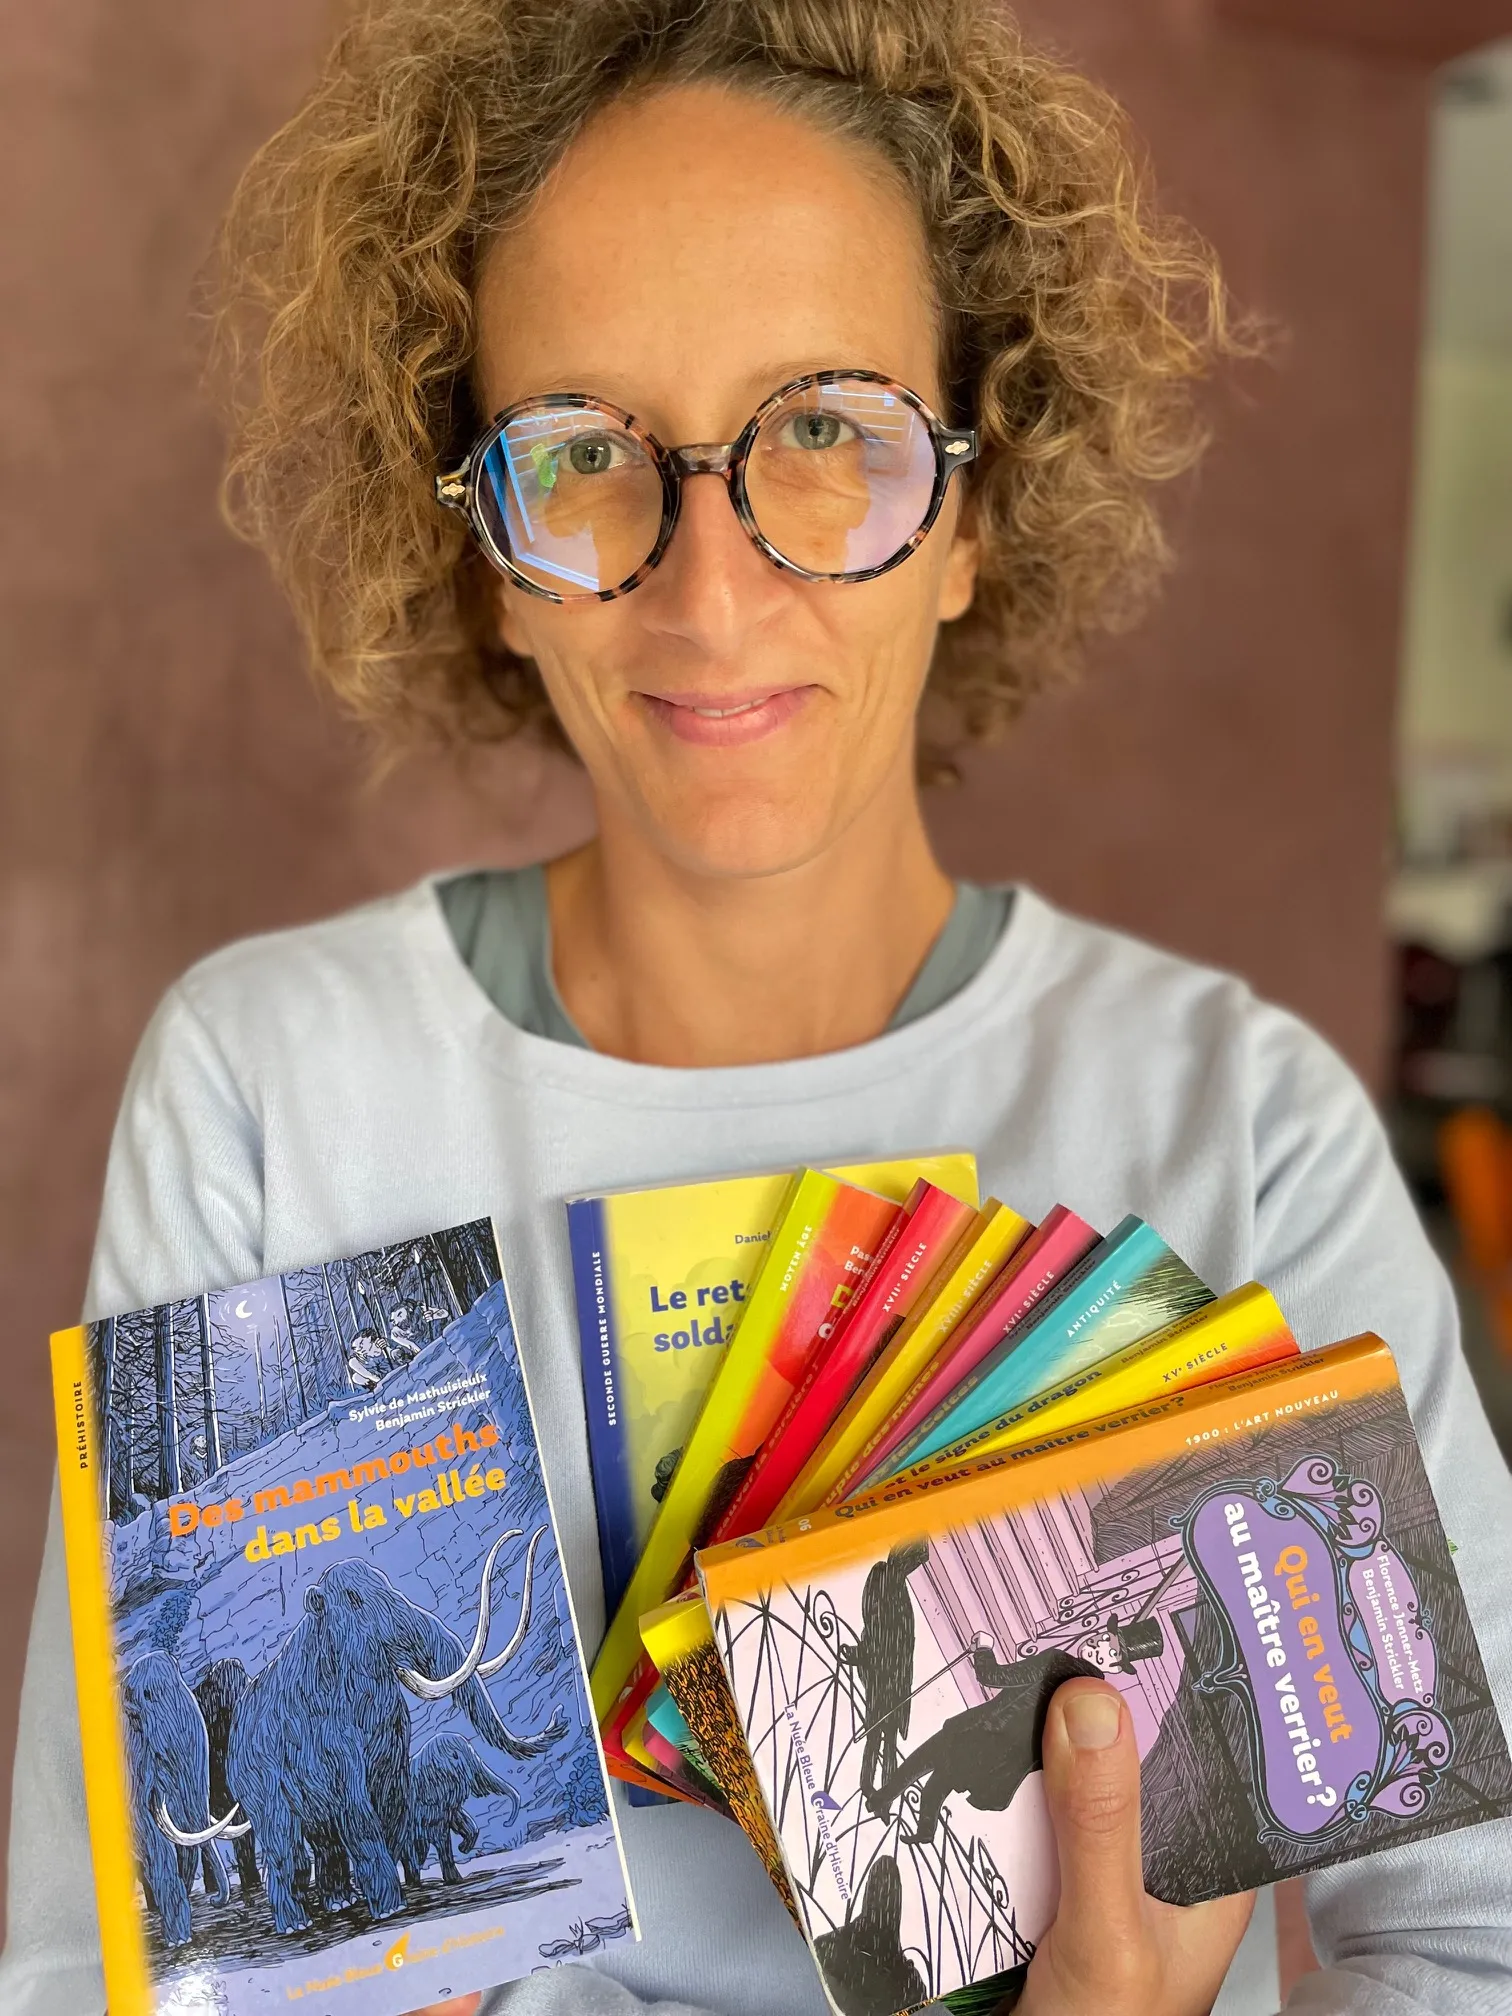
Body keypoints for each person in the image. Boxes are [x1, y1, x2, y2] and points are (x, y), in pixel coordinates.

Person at [5, 3, 1509, 2014]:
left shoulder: (1242, 1128)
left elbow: (1483, 1938)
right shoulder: (279, 1094)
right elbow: (97, 1972)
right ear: (491, 560)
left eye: (826, 431)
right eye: (583, 454)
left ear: (971, 508)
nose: (711, 596)